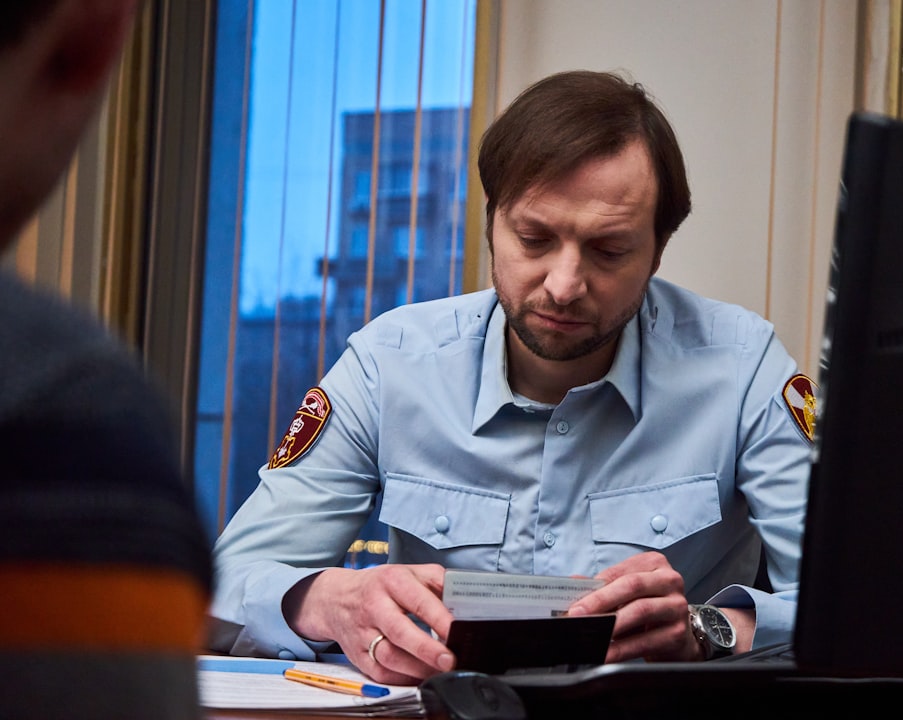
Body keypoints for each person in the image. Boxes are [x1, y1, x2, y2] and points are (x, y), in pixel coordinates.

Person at [210, 69, 814, 686]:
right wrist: (328, 601)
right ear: (492, 223)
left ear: (657, 252)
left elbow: (863, 613)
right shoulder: (389, 364)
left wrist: (705, 630)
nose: (563, 284)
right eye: (533, 238)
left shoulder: (742, 367)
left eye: (608, 251)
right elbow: (221, 587)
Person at [0, 2, 212, 717]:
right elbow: (252, 561)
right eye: (532, 238)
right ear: (97, 37)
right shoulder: (61, 410)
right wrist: (313, 594)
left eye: (587, 247)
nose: (563, 283)